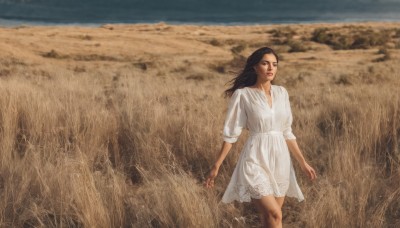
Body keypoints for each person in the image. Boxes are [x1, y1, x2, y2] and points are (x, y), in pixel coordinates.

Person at [204, 47, 317, 228]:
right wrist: (216, 165)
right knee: (274, 213)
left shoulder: (282, 93)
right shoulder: (243, 95)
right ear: (255, 67)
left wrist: (303, 162)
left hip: (280, 160)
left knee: (270, 219)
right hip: (254, 159)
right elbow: (232, 133)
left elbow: (287, 131)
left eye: (274, 64)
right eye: (265, 63)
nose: (270, 68)